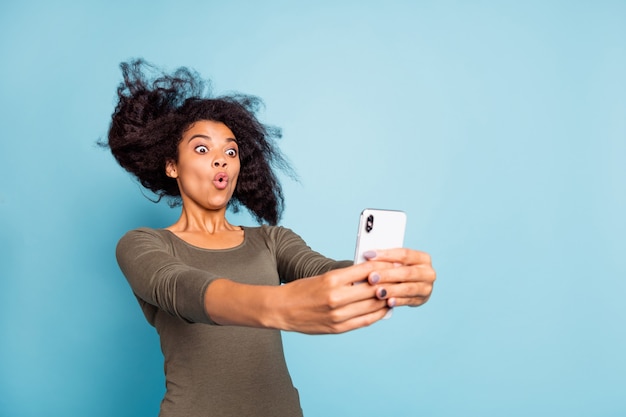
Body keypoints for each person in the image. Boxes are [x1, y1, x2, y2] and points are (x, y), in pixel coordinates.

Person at [105, 59, 436, 417]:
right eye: (203, 149)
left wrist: (391, 279)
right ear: (172, 166)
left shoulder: (271, 240)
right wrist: (277, 307)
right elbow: (183, 289)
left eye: (230, 152)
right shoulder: (142, 244)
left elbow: (323, 271)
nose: (222, 161)